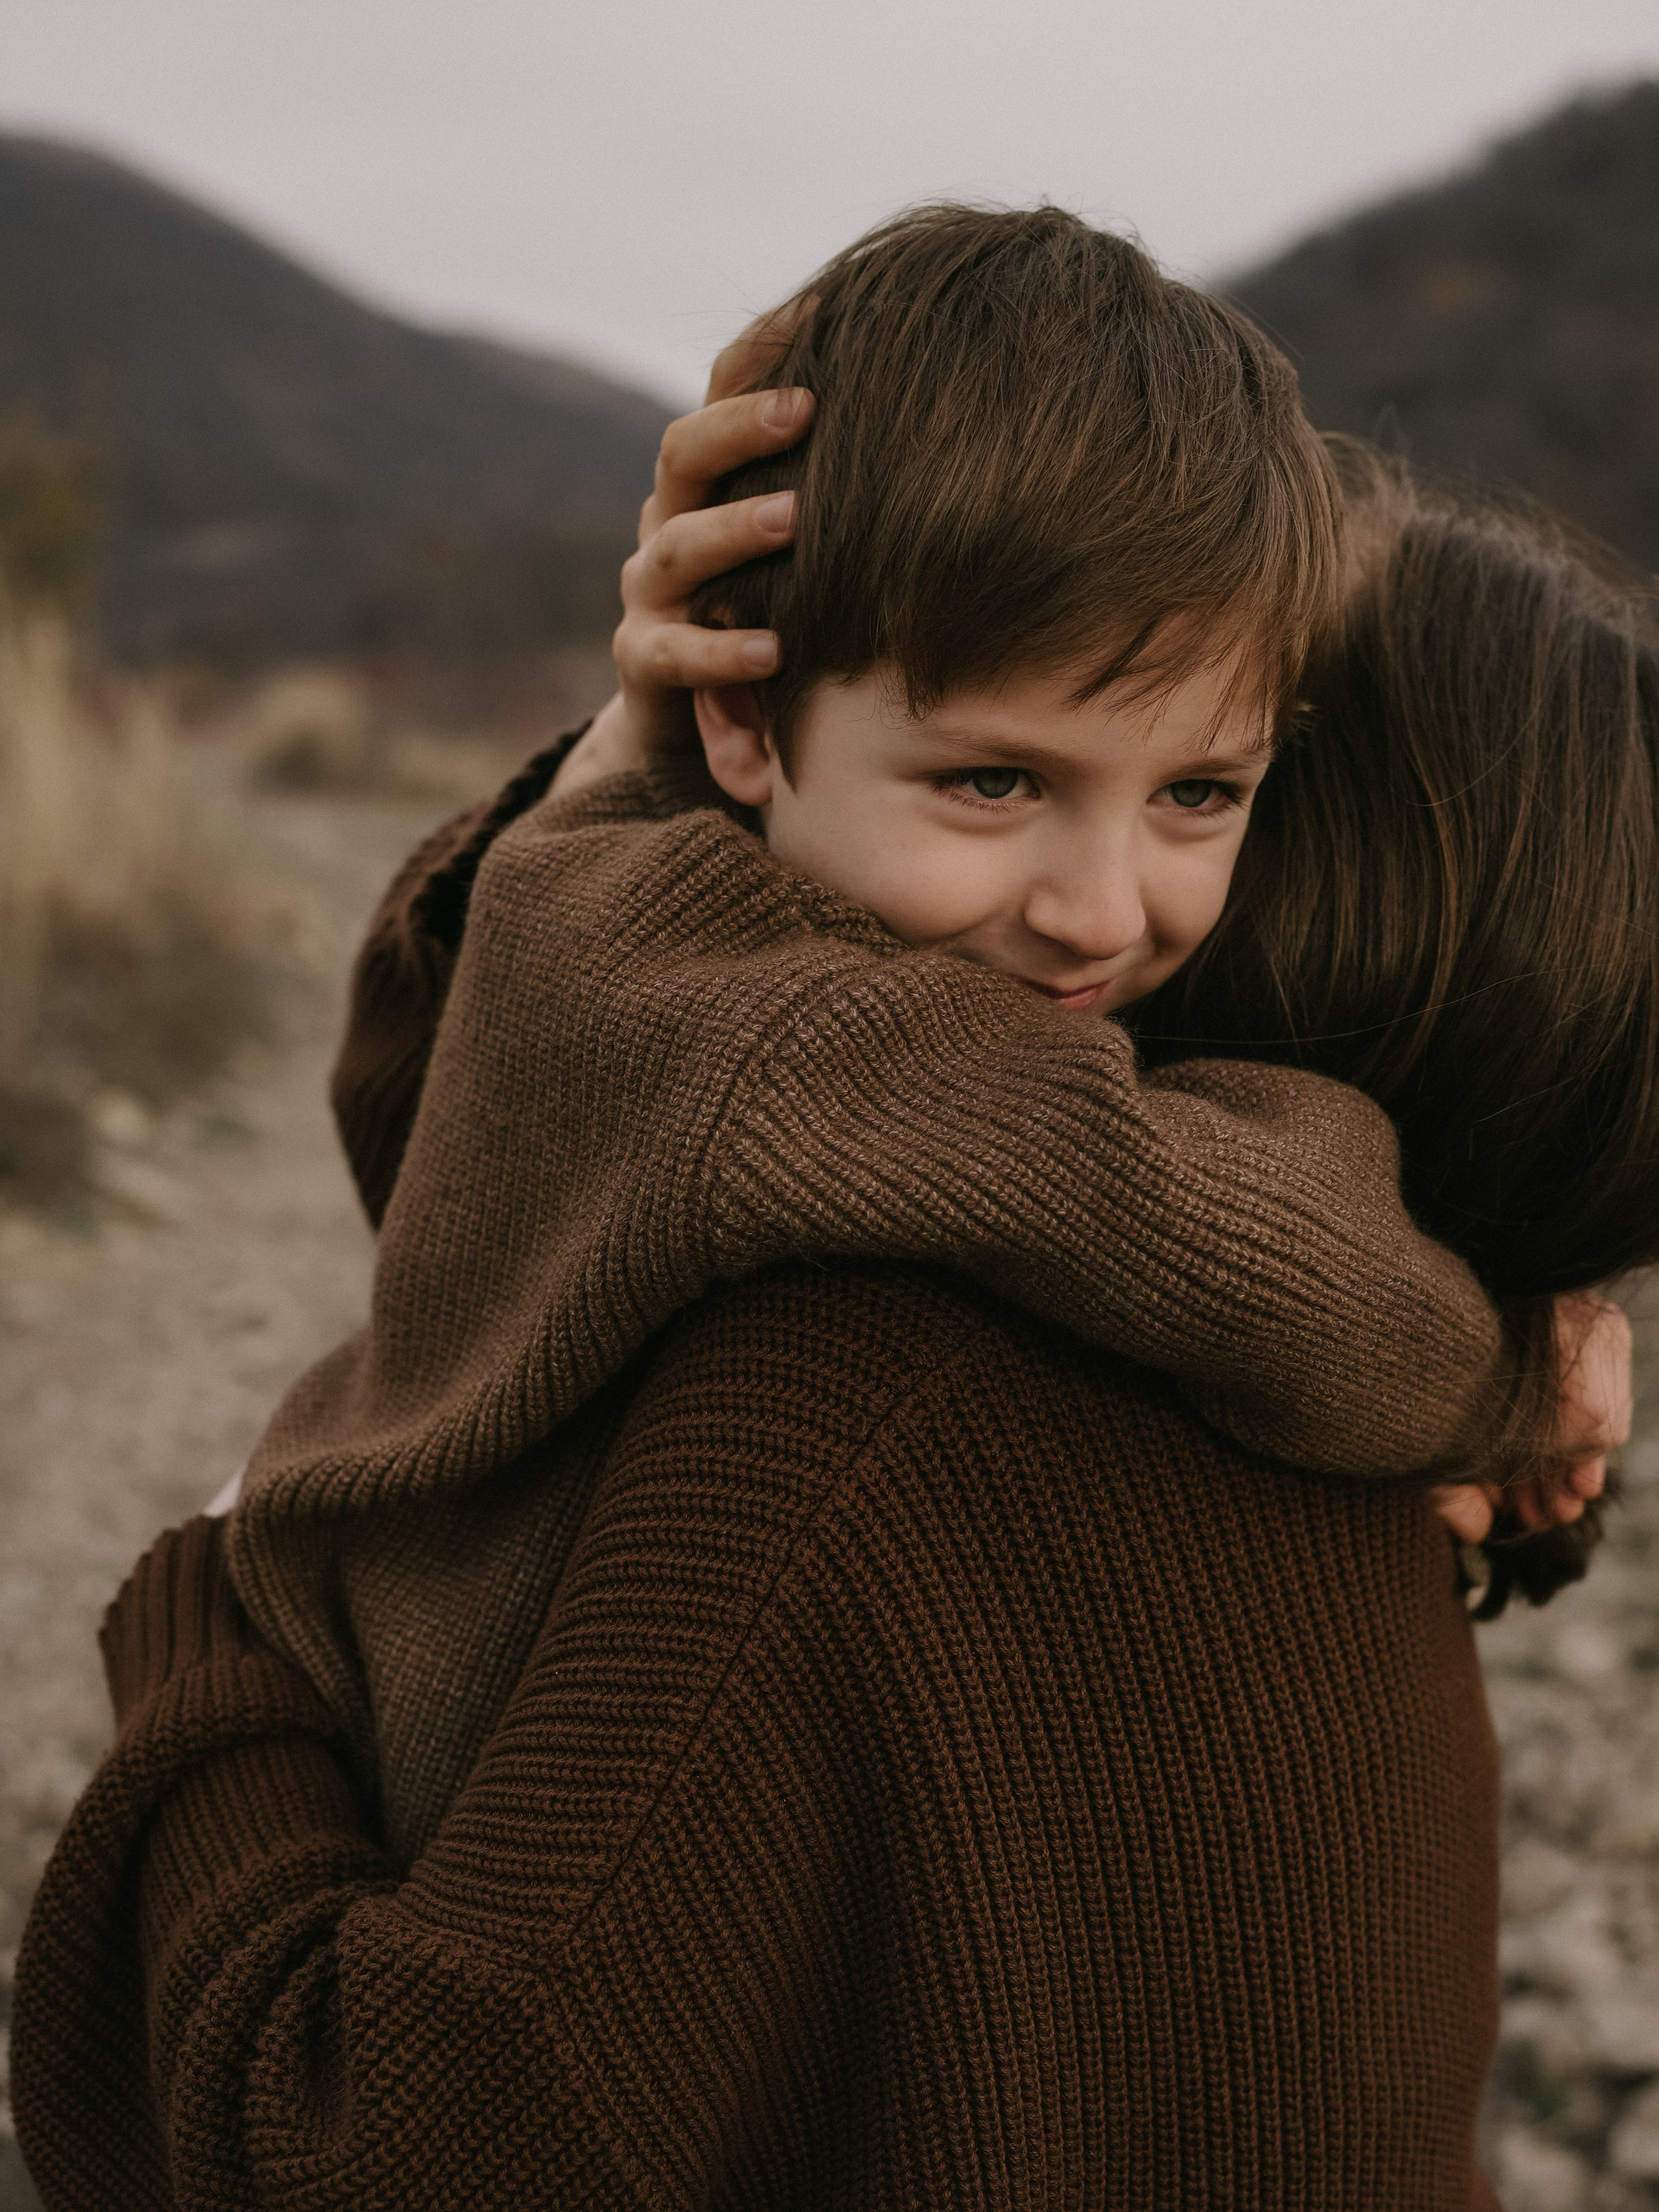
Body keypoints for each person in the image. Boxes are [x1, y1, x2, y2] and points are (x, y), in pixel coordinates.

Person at [13, 211, 1645, 2208]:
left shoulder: (854, 1391)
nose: (1101, 910)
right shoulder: (1287, 1462)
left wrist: (205, 1619)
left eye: (1209, 794)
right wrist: (1493, 1357)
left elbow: (350, 2157)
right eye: (989, 783)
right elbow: (496, 1136)